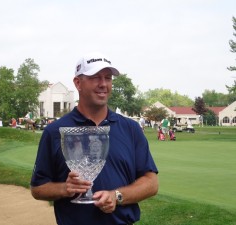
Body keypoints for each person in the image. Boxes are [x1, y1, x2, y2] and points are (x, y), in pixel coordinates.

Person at [30, 52, 158, 225]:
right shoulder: (55, 131)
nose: (103, 84)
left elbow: (151, 183)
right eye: (95, 77)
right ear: (77, 83)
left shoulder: (131, 129)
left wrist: (117, 196)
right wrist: (64, 188)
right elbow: (38, 188)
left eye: (108, 78)